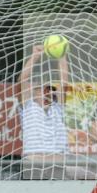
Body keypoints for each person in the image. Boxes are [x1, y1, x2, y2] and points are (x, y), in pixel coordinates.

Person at [19, 45, 70, 179]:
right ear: (34, 93)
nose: (47, 92)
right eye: (42, 89)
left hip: (56, 162)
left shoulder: (58, 108)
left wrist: (61, 56)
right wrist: (35, 56)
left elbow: (64, 80)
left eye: (50, 89)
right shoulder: (29, 106)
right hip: (34, 162)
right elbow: (23, 79)